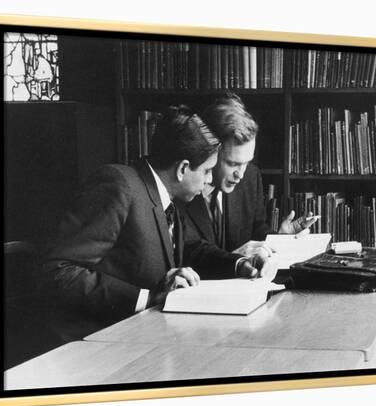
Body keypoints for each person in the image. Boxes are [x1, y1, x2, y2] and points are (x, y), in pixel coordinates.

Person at [42, 105, 270, 341]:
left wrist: (239, 264)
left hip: (144, 335)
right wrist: (146, 298)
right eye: (207, 171)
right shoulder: (119, 186)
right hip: (95, 342)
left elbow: (193, 249)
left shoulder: (168, 197)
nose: (210, 179)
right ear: (182, 169)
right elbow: (58, 270)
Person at [180, 93, 318, 258]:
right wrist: (235, 261)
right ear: (210, 152)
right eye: (233, 163)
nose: (241, 174)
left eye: (246, 162)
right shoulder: (182, 188)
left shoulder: (251, 177)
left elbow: (256, 231)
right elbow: (191, 255)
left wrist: (280, 239)